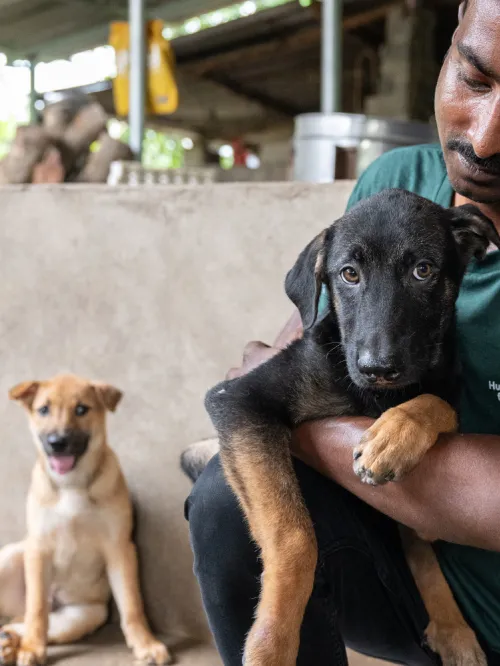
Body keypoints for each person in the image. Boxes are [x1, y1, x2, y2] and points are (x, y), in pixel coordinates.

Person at [185, 0, 500, 663]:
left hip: (478, 603)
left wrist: (319, 433)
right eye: (475, 78)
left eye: (421, 271)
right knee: (222, 497)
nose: (486, 136)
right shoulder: (399, 185)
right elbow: (283, 368)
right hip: (400, 576)